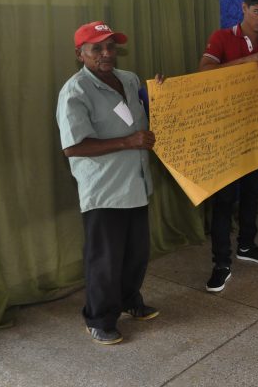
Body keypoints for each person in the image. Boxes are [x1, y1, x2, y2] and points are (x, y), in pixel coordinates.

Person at [56, 21, 159, 345]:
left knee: (136, 253)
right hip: (105, 189)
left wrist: (161, 94)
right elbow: (73, 147)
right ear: (80, 54)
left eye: (111, 46)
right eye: (97, 48)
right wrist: (128, 142)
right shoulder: (75, 91)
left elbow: (146, 115)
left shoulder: (129, 79)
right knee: (105, 259)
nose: (106, 53)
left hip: (136, 183)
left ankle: (129, 300)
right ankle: (99, 318)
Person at [198, 0, 258, 293]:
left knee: (251, 195)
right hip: (224, 135)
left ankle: (247, 245)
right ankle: (221, 262)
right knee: (223, 201)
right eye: (257, 12)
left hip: (254, 135)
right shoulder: (222, 37)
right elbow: (203, 73)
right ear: (244, 8)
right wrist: (243, 62)